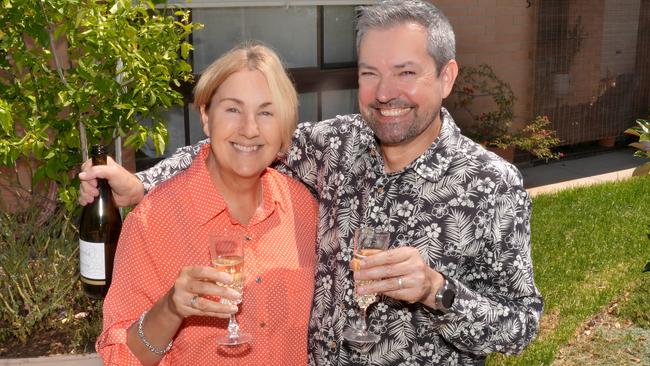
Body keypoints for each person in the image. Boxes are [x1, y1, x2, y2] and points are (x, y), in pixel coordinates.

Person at [82, 1, 543, 365]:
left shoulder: (491, 184)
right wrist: (144, 183)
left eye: (406, 72)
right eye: (369, 73)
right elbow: (244, 144)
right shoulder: (338, 146)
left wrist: (436, 290)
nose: (385, 93)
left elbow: (520, 326)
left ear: (446, 77)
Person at [95, 43, 318, 365]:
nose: (250, 129)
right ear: (205, 115)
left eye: (266, 112)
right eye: (232, 109)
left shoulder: (302, 208)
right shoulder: (152, 221)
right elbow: (119, 359)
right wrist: (170, 308)